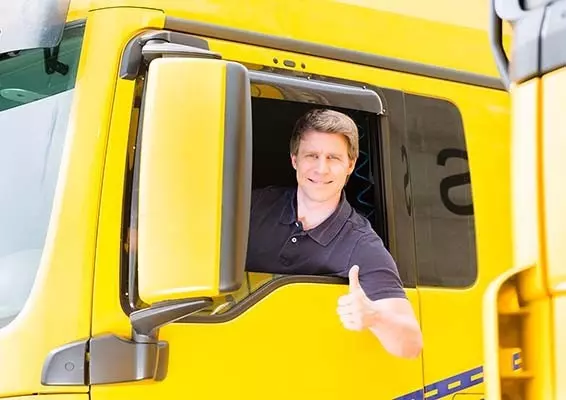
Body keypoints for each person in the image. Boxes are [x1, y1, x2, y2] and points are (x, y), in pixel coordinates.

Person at [245, 109, 423, 359]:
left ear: (350, 165)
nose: (321, 169)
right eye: (312, 155)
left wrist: (375, 317)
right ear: (295, 159)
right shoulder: (253, 206)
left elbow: (411, 346)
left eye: (333, 158)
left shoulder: (361, 245)